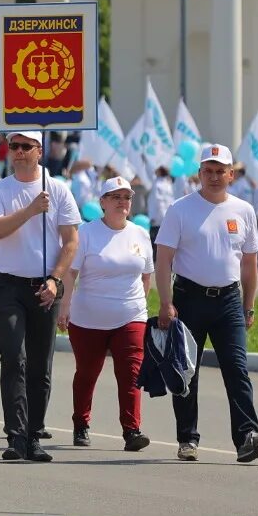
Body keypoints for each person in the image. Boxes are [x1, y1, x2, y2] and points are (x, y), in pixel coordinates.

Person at [156, 143, 258, 463]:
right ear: (199, 174)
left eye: (220, 171)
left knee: (237, 369)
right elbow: (164, 259)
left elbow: (249, 264)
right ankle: (187, 438)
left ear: (231, 175)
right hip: (188, 299)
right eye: (208, 171)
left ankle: (247, 437)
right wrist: (165, 302)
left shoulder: (243, 210)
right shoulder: (180, 209)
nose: (214, 176)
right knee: (186, 371)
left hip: (228, 302)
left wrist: (248, 306)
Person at [0, 130, 80, 462]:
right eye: (14, 146)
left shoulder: (59, 190)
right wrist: (29, 211)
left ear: (39, 150)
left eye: (26, 147)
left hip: (45, 285)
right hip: (8, 284)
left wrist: (55, 280)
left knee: (41, 364)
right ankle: (16, 435)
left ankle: (34, 435)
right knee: (13, 357)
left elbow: (70, 243)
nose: (19, 152)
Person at [57, 176, 153, 452]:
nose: (123, 202)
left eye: (127, 198)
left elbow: (146, 275)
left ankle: (132, 430)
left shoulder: (140, 233)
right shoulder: (87, 234)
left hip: (130, 315)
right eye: (116, 197)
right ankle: (81, 424)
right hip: (88, 318)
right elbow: (71, 273)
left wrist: (140, 308)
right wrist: (66, 306)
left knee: (131, 374)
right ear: (102, 202)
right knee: (87, 373)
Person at [149, 166, 175, 243]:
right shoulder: (168, 184)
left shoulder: (157, 184)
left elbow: (158, 201)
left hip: (157, 220)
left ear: (160, 171)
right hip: (167, 218)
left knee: (156, 245)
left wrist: (154, 217)